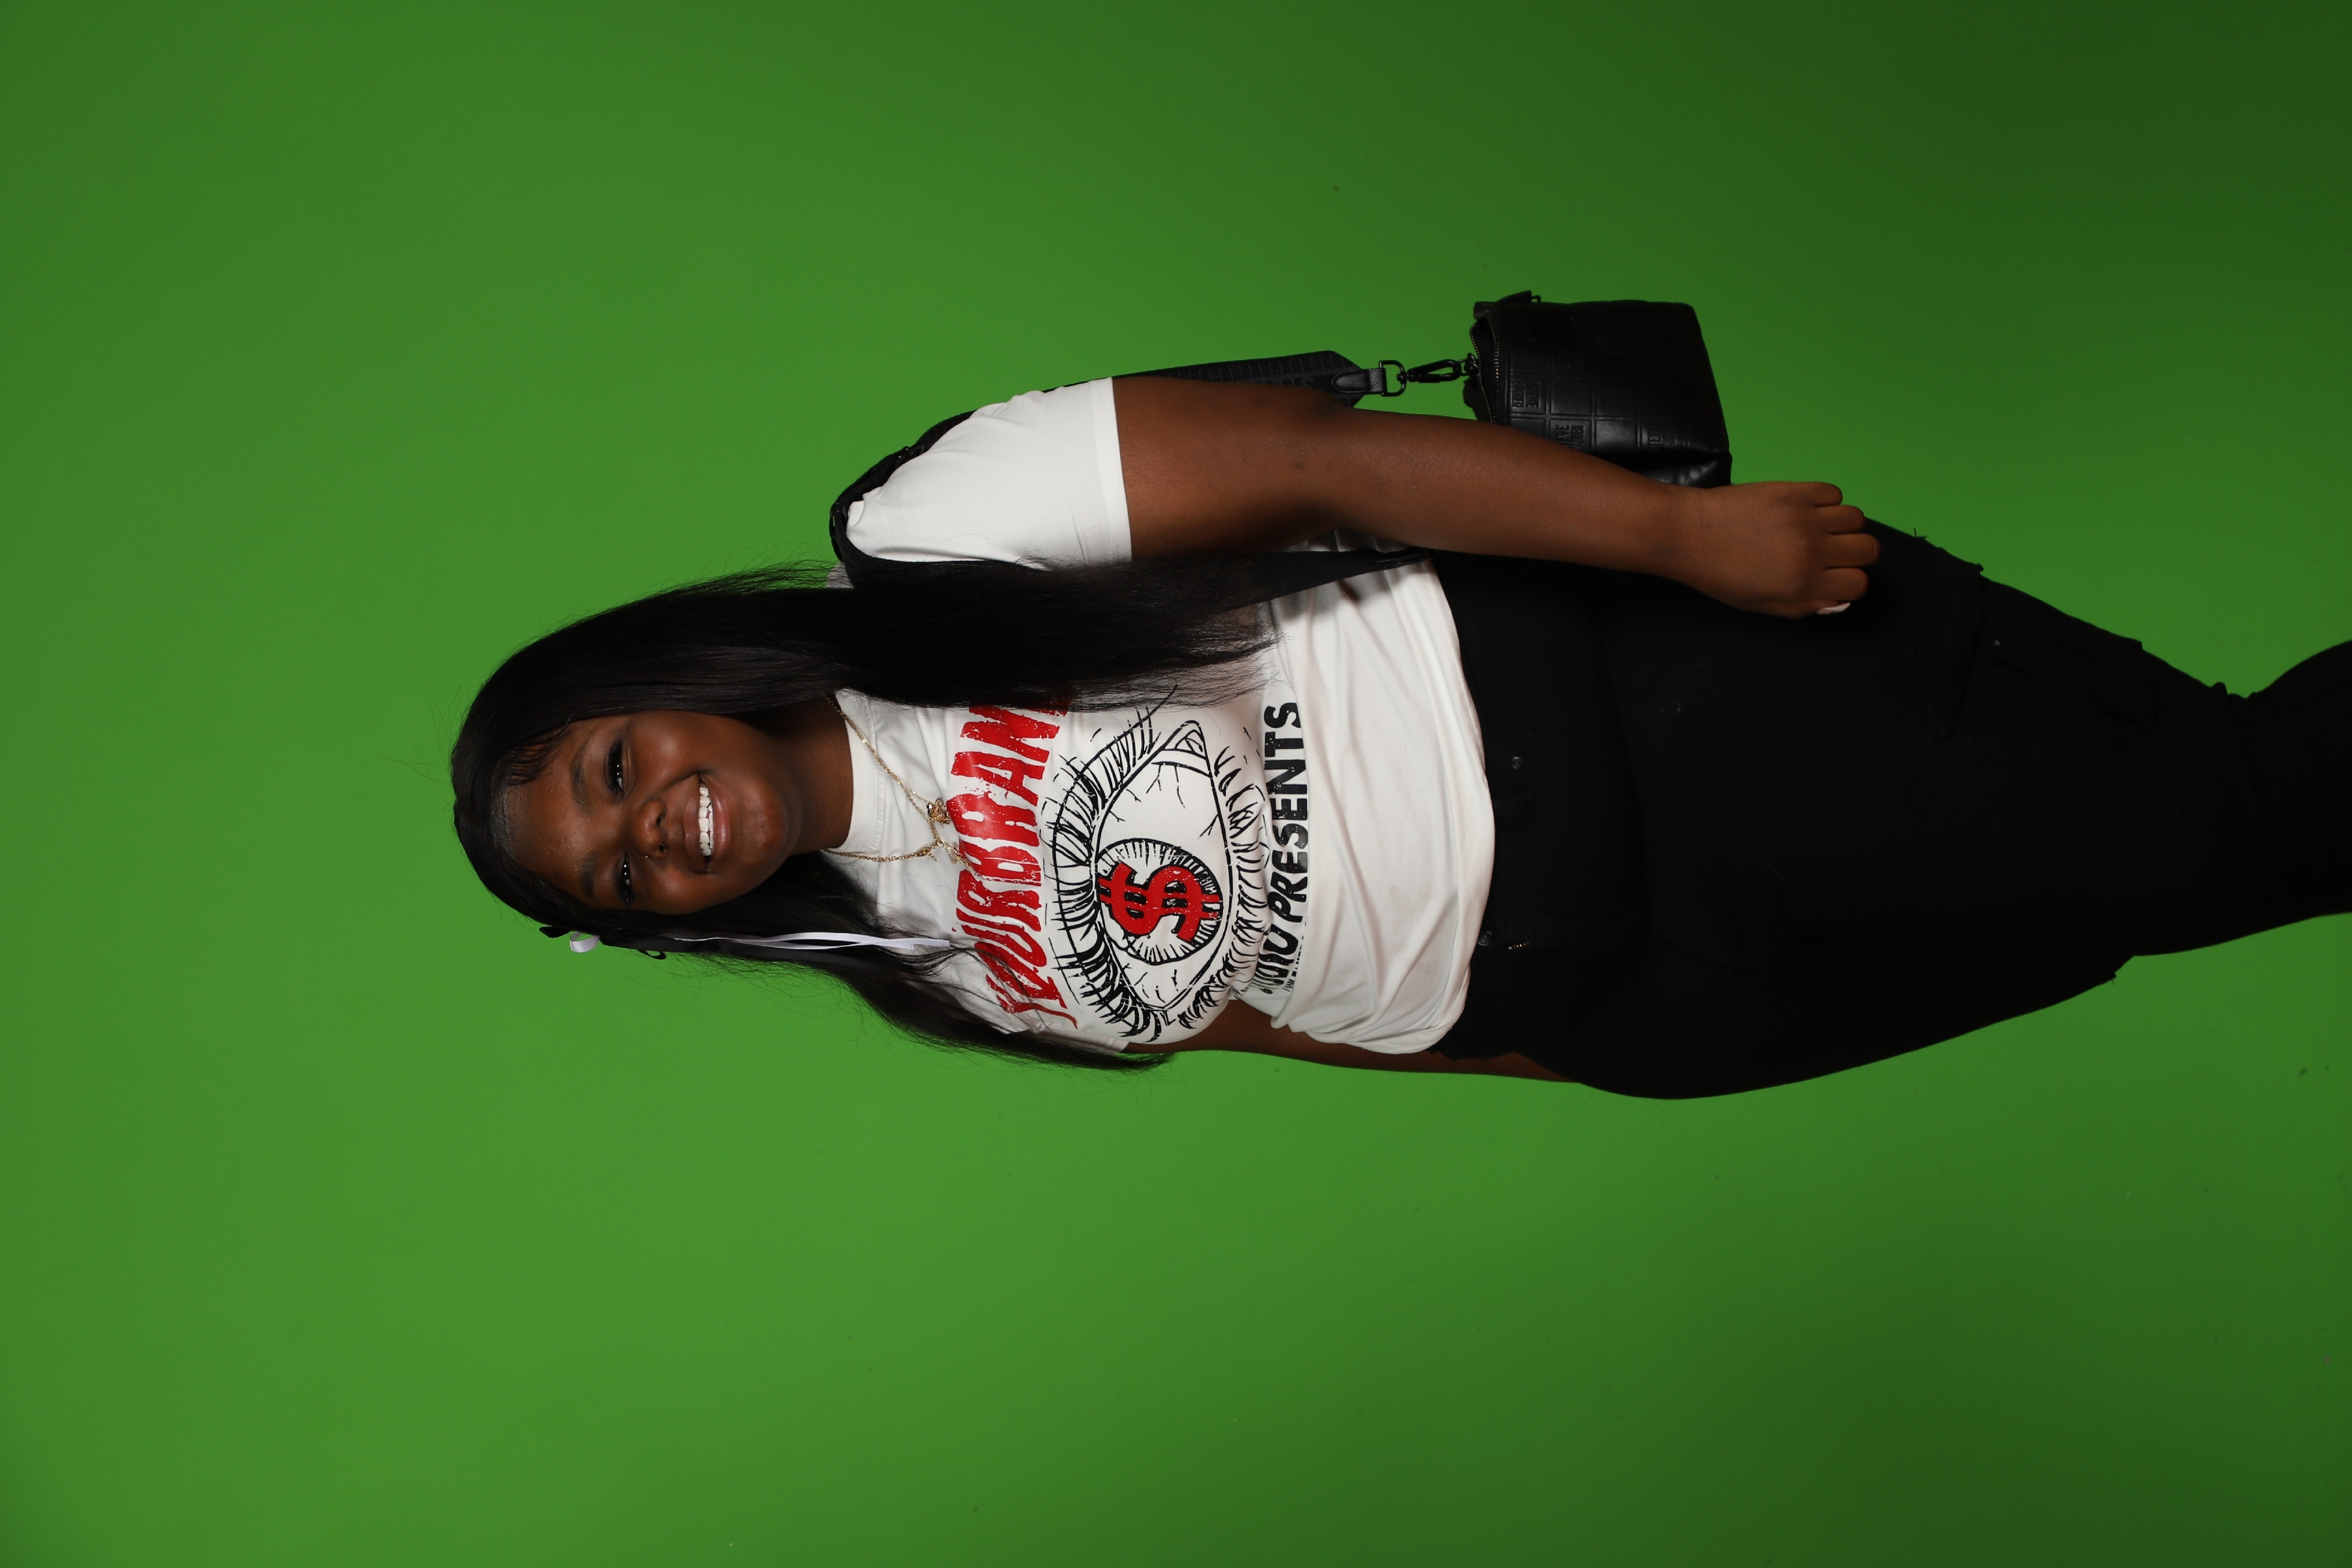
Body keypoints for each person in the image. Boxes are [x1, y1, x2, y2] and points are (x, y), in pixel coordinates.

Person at [451, 376, 2351, 1095]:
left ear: (657, 678)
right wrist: (1581, 1053)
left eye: (614, 771)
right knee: (2162, 877)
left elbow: (1318, 461)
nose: (659, 830)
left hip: (1657, 720)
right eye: (621, 881)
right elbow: (1272, 1019)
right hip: (1645, 994)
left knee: (2212, 832)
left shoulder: (929, 539)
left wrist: (1682, 540)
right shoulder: (925, 968)